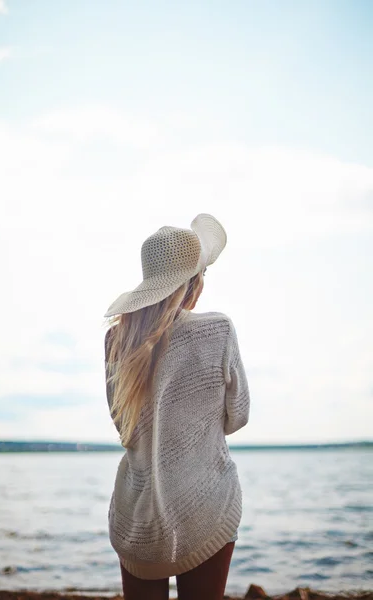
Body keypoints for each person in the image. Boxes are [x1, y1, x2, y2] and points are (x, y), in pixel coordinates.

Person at [104, 213, 250, 600]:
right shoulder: (218, 329)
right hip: (205, 507)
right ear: (194, 282)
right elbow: (238, 415)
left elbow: (124, 427)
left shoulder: (117, 340)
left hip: (139, 518)